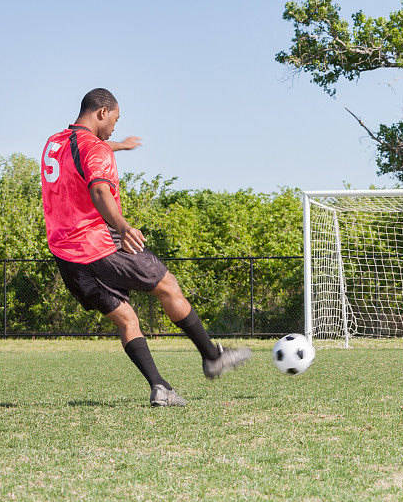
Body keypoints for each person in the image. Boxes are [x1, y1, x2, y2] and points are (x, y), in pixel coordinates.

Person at [40, 88, 251, 407]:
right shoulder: (97, 151)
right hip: (99, 243)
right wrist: (123, 227)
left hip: (64, 255)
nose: (115, 126)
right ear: (102, 112)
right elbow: (99, 191)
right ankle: (212, 357)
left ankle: (160, 388)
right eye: (115, 120)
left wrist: (119, 146)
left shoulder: (53, 143)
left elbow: (85, 150)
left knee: (126, 318)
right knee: (167, 285)